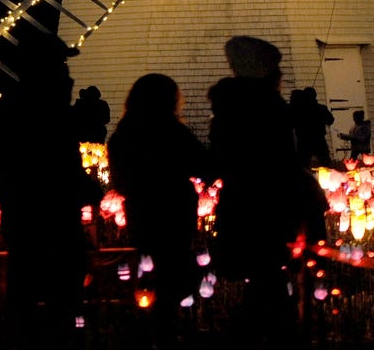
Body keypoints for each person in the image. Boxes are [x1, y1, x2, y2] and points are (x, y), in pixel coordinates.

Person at [0, 28, 100, 349]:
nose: (66, 71)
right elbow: (51, 159)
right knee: (51, 288)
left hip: (34, 213)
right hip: (44, 216)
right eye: (60, 64)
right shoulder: (34, 107)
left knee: (34, 287)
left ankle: (35, 339)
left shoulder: (29, 106)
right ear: (43, 67)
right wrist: (23, 170)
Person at [206, 36, 326, 350]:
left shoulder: (226, 111)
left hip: (241, 207)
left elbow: (219, 161)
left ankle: (259, 333)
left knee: (264, 283)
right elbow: (280, 163)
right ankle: (268, 336)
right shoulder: (268, 109)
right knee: (270, 281)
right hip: (270, 208)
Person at [106, 73, 213, 349]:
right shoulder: (172, 132)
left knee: (146, 272)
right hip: (173, 211)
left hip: (141, 212)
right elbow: (203, 165)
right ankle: (166, 330)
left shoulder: (123, 135)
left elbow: (119, 179)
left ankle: (144, 329)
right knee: (173, 273)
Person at [288, 86, 335, 167]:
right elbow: (330, 121)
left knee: (303, 165)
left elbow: (292, 122)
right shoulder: (321, 108)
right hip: (318, 139)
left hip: (304, 140)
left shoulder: (299, 110)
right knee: (325, 163)